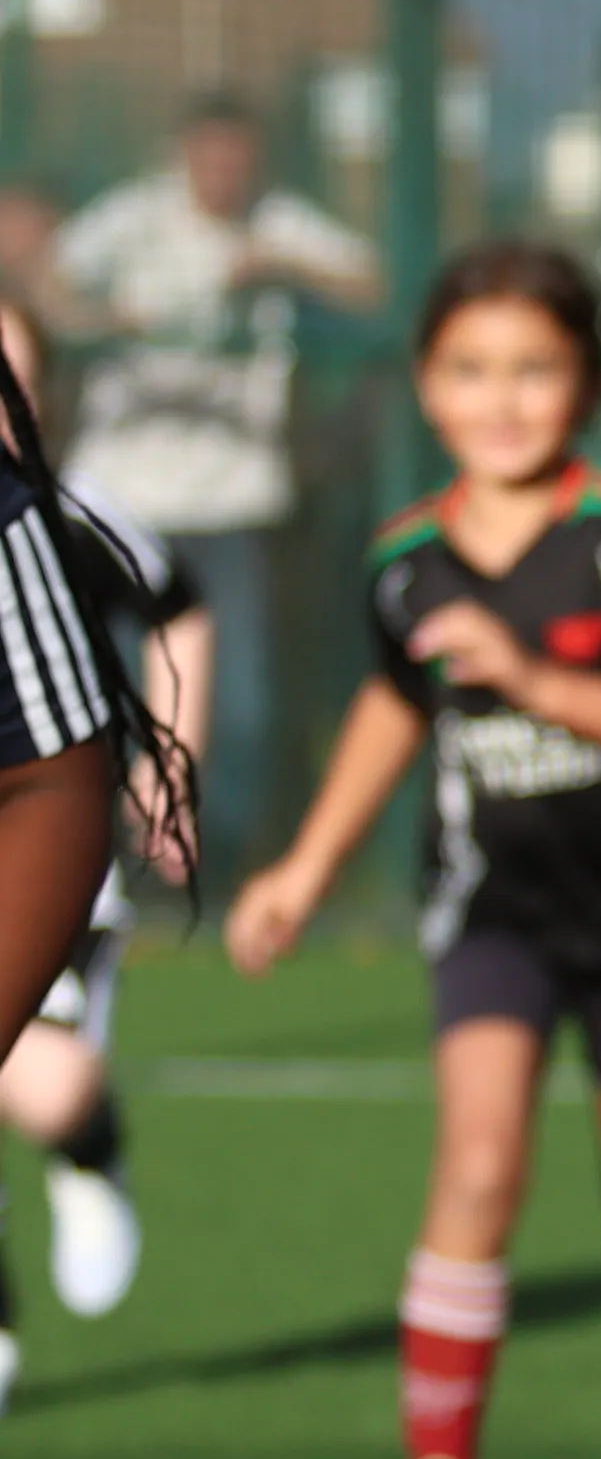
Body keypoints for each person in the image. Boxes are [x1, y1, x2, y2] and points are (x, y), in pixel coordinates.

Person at [221, 241, 601, 1459]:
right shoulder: (406, 561)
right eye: (469, 370)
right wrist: (305, 866)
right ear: (425, 386)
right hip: (493, 916)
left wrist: (536, 681)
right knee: (477, 1168)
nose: (501, 399)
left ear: (585, 386)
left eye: (534, 370)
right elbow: (398, 704)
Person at [59, 91, 381, 873]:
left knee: (238, 711)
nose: (224, 173)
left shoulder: (279, 225)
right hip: (127, 508)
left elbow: (372, 289)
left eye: (239, 158)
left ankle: (211, 862)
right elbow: (49, 291)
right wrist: (111, 319)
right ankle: (118, 865)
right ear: (182, 154)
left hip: (233, 511)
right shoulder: (132, 220)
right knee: (125, 701)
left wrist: (280, 264)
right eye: (210, 155)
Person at [0, 300, 207, 1392]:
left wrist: (170, 761)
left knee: (46, 1087)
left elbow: (182, 611)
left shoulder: (67, 519)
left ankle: (92, 1146)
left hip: (35, 847)